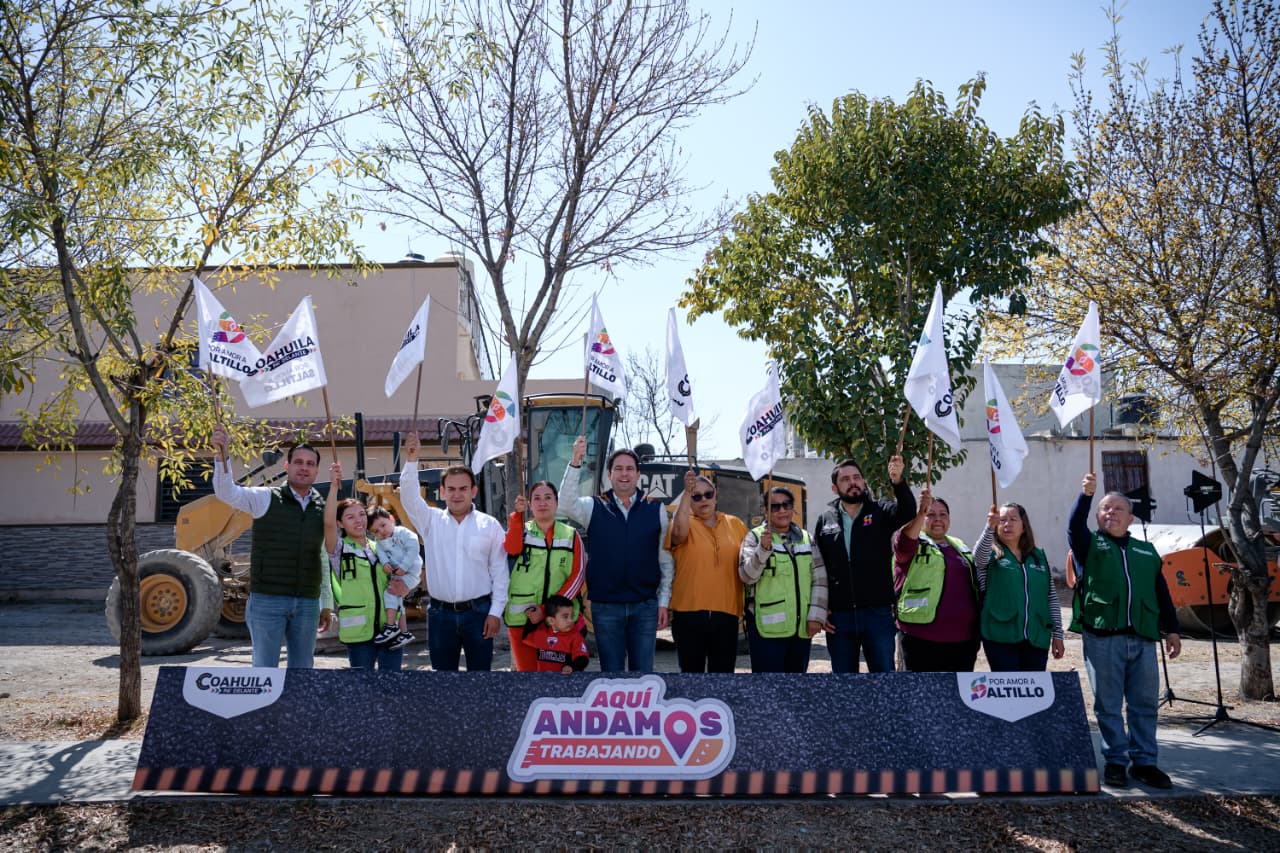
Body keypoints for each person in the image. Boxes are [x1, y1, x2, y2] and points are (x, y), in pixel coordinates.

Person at [1070, 472, 1182, 790]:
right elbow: (1074, 527)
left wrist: (1172, 630)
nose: (1111, 513)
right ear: (1098, 516)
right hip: (1103, 637)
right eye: (1105, 508)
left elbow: (1161, 593)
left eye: (1118, 508)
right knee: (1108, 705)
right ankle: (1116, 762)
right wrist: (1086, 496)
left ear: (1130, 518)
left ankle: (1145, 763)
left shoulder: (1146, 551)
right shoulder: (1089, 545)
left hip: (1143, 638)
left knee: (1143, 704)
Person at [211, 424, 331, 668]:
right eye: (298, 462)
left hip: (307, 603)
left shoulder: (323, 508)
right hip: (267, 601)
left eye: (310, 464)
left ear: (317, 470)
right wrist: (222, 456)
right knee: (264, 673)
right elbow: (227, 492)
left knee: (302, 673)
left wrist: (325, 603)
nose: (304, 467)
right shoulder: (265, 498)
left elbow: (325, 558)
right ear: (287, 466)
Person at [559, 435, 673, 672]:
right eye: (618, 469)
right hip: (606, 606)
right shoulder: (594, 506)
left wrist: (663, 602)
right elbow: (566, 504)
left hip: (644, 606)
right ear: (609, 474)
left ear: (638, 474)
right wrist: (576, 461)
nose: (624, 474)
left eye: (629, 469)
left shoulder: (656, 508)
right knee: (611, 676)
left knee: (643, 676)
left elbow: (665, 561)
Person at [397, 432, 509, 671]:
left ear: (473, 491)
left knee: (480, 680)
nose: (457, 494)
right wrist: (412, 460)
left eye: (463, 488)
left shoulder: (489, 525)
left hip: (479, 614)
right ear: (443, 491)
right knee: (442, 682)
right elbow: (408, 497)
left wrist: (495, 613)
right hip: (441, 616)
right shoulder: (430, 521)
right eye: (451, 489)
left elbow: (500, 572)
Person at [812, 456, 915, 672]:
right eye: (845, 479)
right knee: (845, 684)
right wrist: (822, 609)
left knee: (883, 680)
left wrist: (898, 482)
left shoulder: (880, 510)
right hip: (839, 618)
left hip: (877, 614)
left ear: (863, 481)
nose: (853, 482)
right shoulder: (825, 520)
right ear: (834, 488)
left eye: (857, 477)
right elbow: (819, 568)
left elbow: (907, 513)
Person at [323, 463, 403, 670]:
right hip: (360, 635)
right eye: (350, 517)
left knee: (393, 684)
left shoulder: (381, 547)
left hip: (390, 630)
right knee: (362, 686)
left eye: (361, 514)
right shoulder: (339, 549)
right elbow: (328, 524)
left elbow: (396, 588)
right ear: (340, 523)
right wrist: (333, 487)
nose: (358, 520)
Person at [667, 470, 749, 673]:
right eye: (696, 496)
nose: (703, 499)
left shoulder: (735, 524)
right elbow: (677, 535)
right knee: (691, 676)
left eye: (708, 494)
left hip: (727, 613)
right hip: (688, 613)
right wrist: (686, 493)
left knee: (723, 677)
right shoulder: (683, 522)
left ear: (716, 495)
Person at [739, 487, 828, 673]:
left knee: (796, 686)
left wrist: (816, 616)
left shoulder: (807, 538)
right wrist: (763, 550)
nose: (782, 510)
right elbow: (747, 576)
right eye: (775, 506)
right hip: (766, 631)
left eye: (786, 505)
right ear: (765, 511)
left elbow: (819, 580)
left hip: (801, 629)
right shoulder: (754, 537)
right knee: (769, 686)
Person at [891, 490, 981, 672]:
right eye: (931, 515)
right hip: (921, 637)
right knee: (921, 690)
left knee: (957, 690)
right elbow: (904, 541)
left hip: (963, 640)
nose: (937, 519)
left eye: (943, 515)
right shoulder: (913, 542)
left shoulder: (959, 545)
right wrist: (920, 513)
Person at [502, 481, 585, 672]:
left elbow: (577, 576)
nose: (542, 503)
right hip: (523, 620)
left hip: (560, 622)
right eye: (536, 498)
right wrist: (516, 517)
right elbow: (511, 548)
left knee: (559, 680)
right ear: (529, 504)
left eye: (548, 498)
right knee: (528, 679)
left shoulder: (571, 535)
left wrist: (547, 610)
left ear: (557, 503)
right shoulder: (521, 530)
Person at [974, 502, 1064, 671]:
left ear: (1024, 526)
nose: (1007, 524)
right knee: (1008, 686)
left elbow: (1050, 597)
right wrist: (989, 528)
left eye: (1013, 519)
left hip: (1036, 636)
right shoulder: (991, 555)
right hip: (1000, 636)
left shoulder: (1038, 556)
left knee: (1032, 687)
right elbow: (978, 559)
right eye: (1002, 520)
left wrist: (1057, 634)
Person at [366, 506, 422, 651]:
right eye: (375, 531)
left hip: (410, 572)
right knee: (398, 603)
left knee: (390, 592)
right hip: (397, 574)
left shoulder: (403, 533)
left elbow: (413, 548)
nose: (381, 532)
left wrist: (404, 566)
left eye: (383, 525)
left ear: (391, 519)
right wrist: (385, 563)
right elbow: (381, 553)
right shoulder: (380, 542)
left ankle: (390, 626)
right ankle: (404, 632)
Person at [521, 594, 590, 673]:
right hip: (543, 679)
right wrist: (532, 618)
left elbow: (583, 658)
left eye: (572, 616)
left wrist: (572, 667)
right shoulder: (541, 634)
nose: (570, 620)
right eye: (565, 616)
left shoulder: (575, 636)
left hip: (567, 679)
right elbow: (526, 637)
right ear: (551, 620)